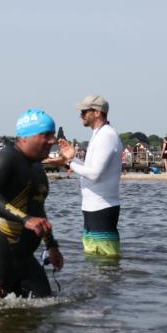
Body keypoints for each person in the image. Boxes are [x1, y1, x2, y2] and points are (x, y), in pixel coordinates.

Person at [0, 109, 63, 298]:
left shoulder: (37, 167)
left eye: (53, 135)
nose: (52, 141)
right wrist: (26, 220)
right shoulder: (6, 158)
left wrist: (51, 245)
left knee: (44, 311)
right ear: (25, 137)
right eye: (45, 135)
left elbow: (38, 209)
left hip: (24, 257)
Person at [52, 95, 123, 258]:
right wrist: (70, 158)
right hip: (93, 206)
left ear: (97, 112)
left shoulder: (106, 135)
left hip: (102, 206)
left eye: (84, 111)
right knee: (94, 259)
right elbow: (91, 168)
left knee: (106, 261)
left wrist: (69, 163)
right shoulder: (99, 135)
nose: (81, 115)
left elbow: (94, 174)